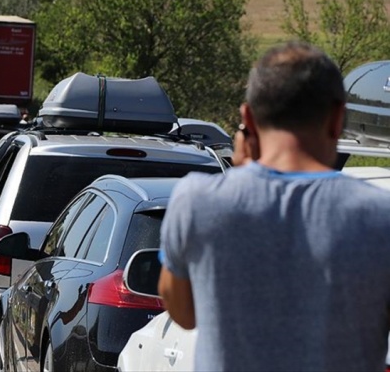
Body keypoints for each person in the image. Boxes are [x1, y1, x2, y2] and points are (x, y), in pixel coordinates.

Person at [157, 41, 390, 372]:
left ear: (247, 117)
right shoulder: (381, 218)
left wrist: (240, 180)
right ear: (338, 118)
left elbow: (184, 313)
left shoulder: (196, 202)